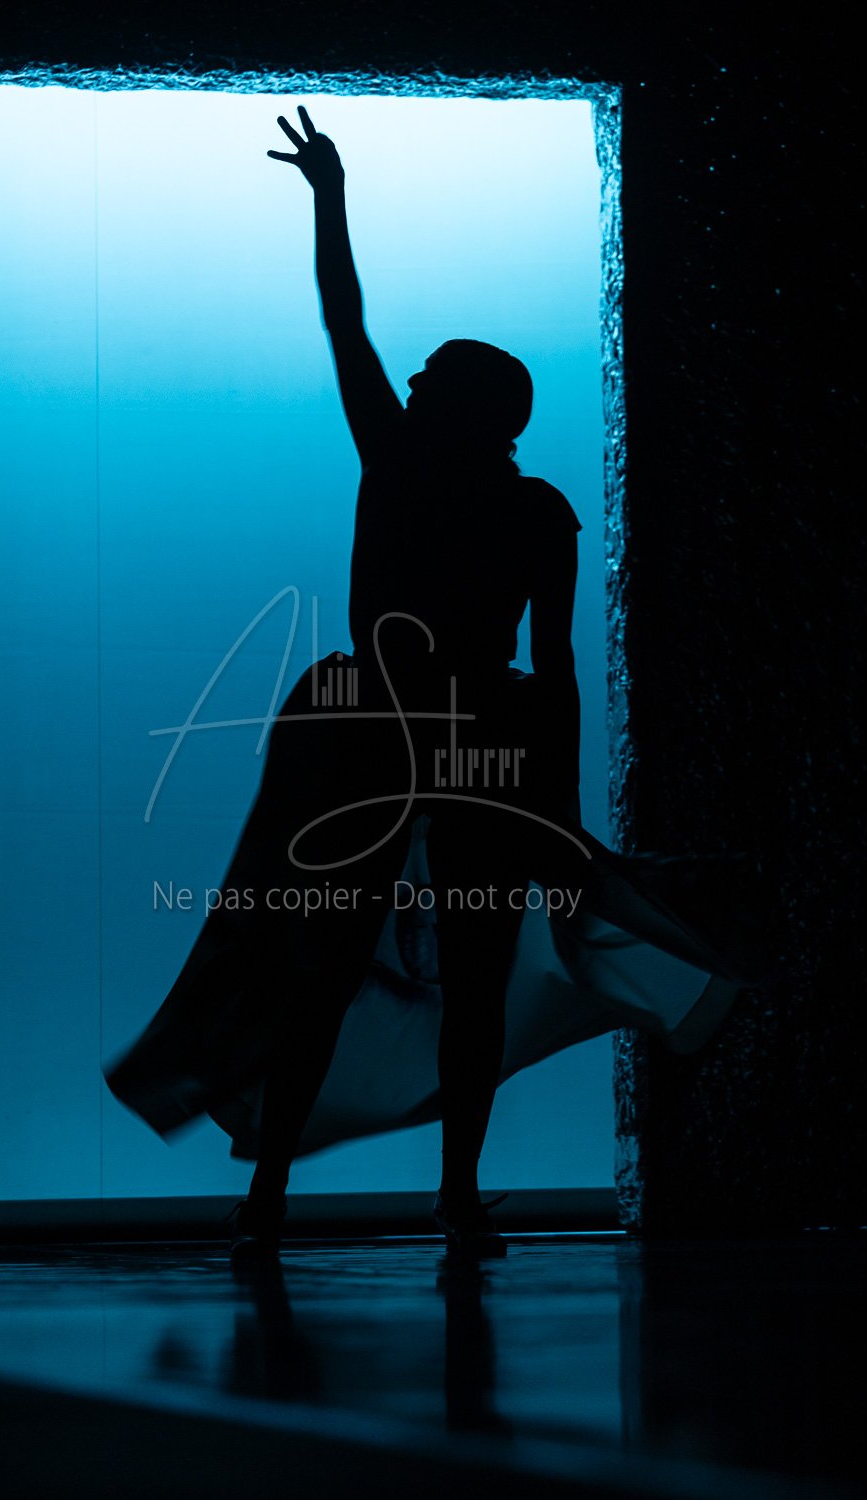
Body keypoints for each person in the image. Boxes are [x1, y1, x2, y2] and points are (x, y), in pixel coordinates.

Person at [105, 108, 758, 1262]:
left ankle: (285, 1200)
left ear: (461, 407)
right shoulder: (525, 508)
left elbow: (346, 327)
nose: (408, 379)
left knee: (331, 966)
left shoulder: (409, 468)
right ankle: (438, 1195)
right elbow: (553, 670)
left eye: (430, 377)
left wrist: (329, 198)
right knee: (448, 973)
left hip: (378, 732)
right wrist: (554, 809)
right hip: (473, 740)